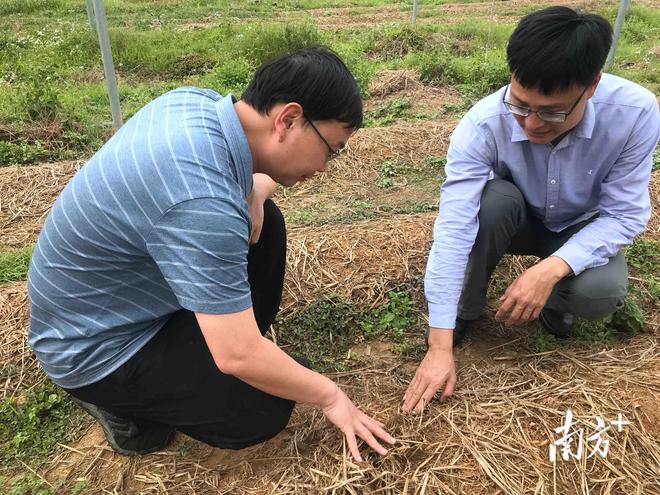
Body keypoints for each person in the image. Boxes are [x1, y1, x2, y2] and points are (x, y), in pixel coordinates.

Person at [28, 46, 395, 461]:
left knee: (262, 220)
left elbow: (235, 184)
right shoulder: (201, 203)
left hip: (113, 297)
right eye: (332, 148)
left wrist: (253, 189)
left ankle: (228, 343)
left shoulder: (198, 104)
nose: (326, 166)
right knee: (262, 410)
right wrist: (330, 396)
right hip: (95, 344)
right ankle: (119, 406)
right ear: (288, 119)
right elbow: (235, 355)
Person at [403, 7, 660, 413]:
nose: (532, 124)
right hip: (515, 216)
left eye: (552, 112)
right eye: (521, 105)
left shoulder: (635, 114)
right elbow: (454, 228)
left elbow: (624, 215)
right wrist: (439, 343)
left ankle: (557, 305)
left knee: (600, 293)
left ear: (591, 86)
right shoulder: (483, 123)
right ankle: (465, 313)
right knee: (489, 204)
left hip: (579, 225)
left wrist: (550, 269)